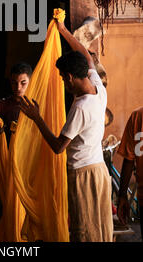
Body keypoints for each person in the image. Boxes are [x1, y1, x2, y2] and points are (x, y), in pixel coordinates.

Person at [19, 20, 113, 242]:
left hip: (82, 174)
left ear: (70, 77)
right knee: (101, 228)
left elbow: (59, 147)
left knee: (85, 232)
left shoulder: (80, 108)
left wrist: (37, 118)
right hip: (99, 171)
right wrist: (63, 30)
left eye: (62, 78)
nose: (62, 82)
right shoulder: (98, 89)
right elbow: (87, 57)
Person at [0, 62, 33, 146]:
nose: (18, 87)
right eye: (14, 83)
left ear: (31, 82)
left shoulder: (34, 106)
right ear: (10, 82)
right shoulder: (0, 105)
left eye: (23, 83)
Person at [117, 106, 143, 239]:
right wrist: (122, 196)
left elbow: (129, 160)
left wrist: (122, 196)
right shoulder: (137, 117)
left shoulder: (138, 116)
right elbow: (129, 159)